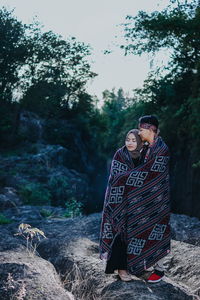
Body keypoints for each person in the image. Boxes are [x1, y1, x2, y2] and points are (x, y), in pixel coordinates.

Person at [100, 116, 171, 283]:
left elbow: (151, 173)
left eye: (140, 130)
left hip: (155, 200)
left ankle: (154, 269)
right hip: (128, 201)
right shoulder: (137, 150)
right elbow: (126, 174)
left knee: (152, 231)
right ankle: (124, 268)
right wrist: (123, 182)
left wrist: (125, 179)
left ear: (150, 129)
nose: (139, 133)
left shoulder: (160, 149)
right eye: (129, 138)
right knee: (124, 231)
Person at [99, 129, 144, 281]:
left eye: (133, 140)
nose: (130, 143)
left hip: (138, 202)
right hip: (119, 202)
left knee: (137, 234)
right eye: (127, 139)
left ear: (140, 142)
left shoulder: (145, 155)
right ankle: (121, 269)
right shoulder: (120, 154)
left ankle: (134, 267)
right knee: (120, 234)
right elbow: (116, 177)